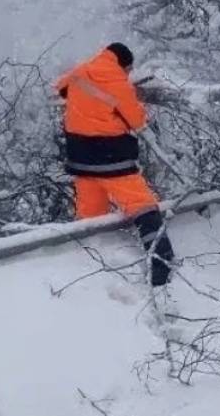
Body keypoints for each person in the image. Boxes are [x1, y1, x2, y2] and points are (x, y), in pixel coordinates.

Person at [55, 43, 175, 287]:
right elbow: (138, 120)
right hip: (113, 160)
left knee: (90, 217)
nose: (128, 75)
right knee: (143, 206)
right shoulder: (119, 83)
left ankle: (88, 270)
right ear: (123, 63)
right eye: (128, 70)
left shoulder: (80, 70)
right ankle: (161, 263)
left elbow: (61, 88)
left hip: (80, 159)